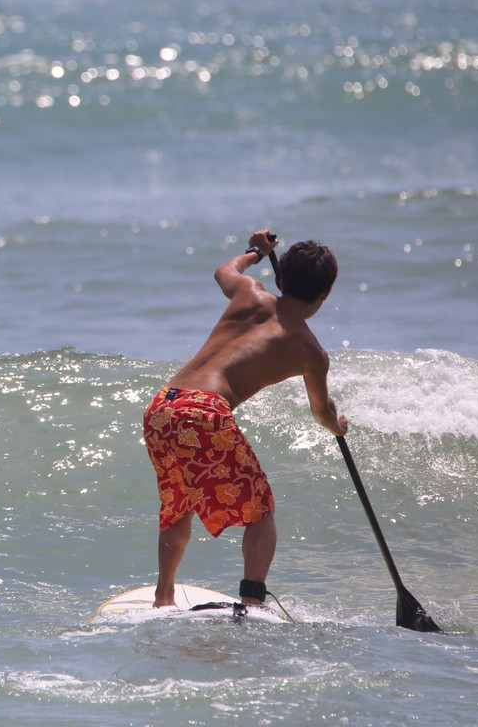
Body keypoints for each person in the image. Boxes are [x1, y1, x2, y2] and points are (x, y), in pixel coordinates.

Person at [143, 229, 348, 609]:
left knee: (180, 501)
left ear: (281, 280)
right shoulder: (310, 351)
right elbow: (322, 412)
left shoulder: (250, 292)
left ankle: (164, 596)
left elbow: (224, 271)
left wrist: (256, 251)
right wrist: (338, 424)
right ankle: (252, 604)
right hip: (205, 411)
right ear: (326, 294)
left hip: (163, 406)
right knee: (261, 511)